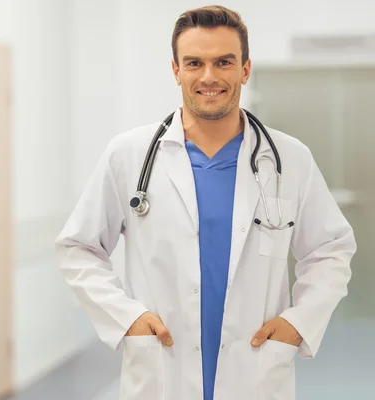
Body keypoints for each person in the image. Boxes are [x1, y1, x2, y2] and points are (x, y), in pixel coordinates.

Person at [55, 5, 356, 400]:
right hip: (162, 373)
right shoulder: (128, 155)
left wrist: (299, 323)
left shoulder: (289, 159)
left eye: (224, 62)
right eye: (194, 62)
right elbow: (78, 248)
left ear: (245, 70)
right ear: (176, 70)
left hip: (256, 372)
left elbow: (330, 249)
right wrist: (127, 318)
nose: (209, 76)